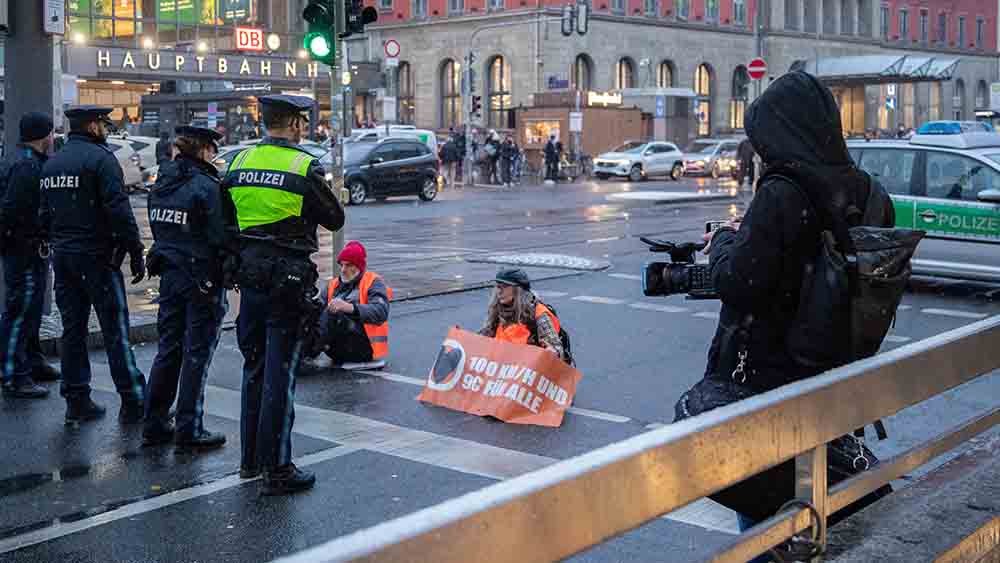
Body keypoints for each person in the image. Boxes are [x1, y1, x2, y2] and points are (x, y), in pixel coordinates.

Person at [679, 72, 895, 533]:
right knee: (813, 504)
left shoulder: (784, 190)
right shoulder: (871, 193)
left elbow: (740, 281)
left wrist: (721, 242)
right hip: (833, 377)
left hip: (767, 382)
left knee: (765, 512)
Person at [221, 94, 345, 495]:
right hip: (287, 281)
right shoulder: (303, 165)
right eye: (301, 123)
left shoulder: (237, 162)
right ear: (293, 125)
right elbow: (334, 217)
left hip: (250, 278)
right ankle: (277, 467)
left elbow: (224, 218)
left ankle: (249, 462)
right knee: (280, 372)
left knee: (253, 366)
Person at [40, 106, 147, 425]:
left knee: (72, 330)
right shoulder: (101, 159)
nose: (106, 128)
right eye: (103, 123)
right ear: (91, 126)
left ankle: (76, 398)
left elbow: (43, 215)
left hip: (65, 257)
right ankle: (133, 399)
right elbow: (119, 210)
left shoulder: (53, 163)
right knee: (115, 330)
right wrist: (135, 250)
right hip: (97, 257)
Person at [142, 126, 228, 451]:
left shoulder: (163, 182)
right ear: (203, 150)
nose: (214, 156)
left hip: (171, 274)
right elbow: (219, 236)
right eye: (212, 150)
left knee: (168, 349)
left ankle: (154, 421)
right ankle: (189, 428)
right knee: (197, 353)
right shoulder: (206, 187)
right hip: (202, 278)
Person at [0, 112, 61, 398]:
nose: (54, 138)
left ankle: (33, 361)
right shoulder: (26, 166)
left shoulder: (25, 160)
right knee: (20, 311)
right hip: (23, 250)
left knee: (32, 309)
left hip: (27, 249)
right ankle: (13, 375)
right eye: (51, 133)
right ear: (42, 136)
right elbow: (13, 212)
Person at [310, 241, 391, 365]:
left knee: (334, 313)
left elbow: (381, 311)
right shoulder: (333, 284)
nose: (343, 270)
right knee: (308, 312)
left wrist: (350, 308)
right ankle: (297, 353)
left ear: (359, 266)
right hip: (337, 348)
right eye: (341, 265)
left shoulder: (373, 282)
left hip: (364, 349)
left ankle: (307, 354)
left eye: (348, 265)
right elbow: (317, 308)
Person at [479, 268, 563, 359]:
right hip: (499, 367)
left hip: (526, 369)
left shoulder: (538, 313)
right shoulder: (497, 310)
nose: (499, 292)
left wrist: (551, 351)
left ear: (518, 290)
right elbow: (484, 336)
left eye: (505, 287)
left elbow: (556, 348)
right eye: (498, 287)